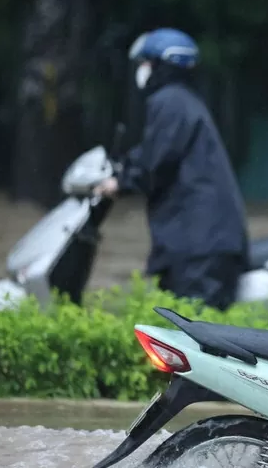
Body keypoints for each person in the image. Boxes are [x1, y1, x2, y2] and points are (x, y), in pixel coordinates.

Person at [95, 28, 249, 311]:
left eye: (145, 63)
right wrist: (125, 168)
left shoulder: (169, 102)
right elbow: (153, 151)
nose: (141, 70)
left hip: (198, 245)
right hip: (202, 240)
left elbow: (157, 161)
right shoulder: (183, 102)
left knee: (193, 331)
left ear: (159, 65)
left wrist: (121, 183)